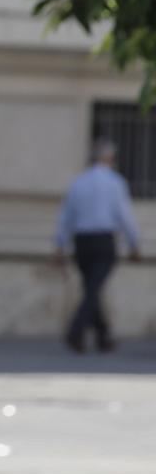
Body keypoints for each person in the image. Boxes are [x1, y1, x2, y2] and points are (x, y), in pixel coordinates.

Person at [54, 138, 142, 353]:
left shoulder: (78, 182)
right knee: (93, 289)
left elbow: (66, 217)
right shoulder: (115, 182)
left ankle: (103, 336)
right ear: (110, 158)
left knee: (91, 288)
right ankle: (76, 331)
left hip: (82, 242)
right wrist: (134, 243)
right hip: (103, 241)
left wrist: (60, 244)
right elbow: (124, 216)